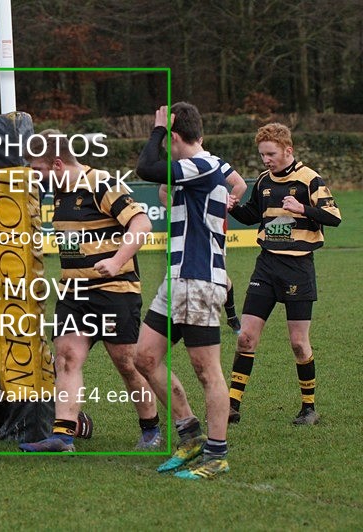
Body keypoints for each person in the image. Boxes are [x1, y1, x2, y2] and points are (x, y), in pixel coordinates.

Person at [17, 129, 161, 452]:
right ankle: (64, 435)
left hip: (114, 291)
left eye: (37, 169)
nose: (34, 177)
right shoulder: (57, 191)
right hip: (74, 293)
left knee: (127, 363)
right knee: (66, 358)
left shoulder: (103, 184)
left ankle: (151, 427)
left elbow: (142, 224)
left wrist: (116, 260)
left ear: (56, 164)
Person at [134, 103, 233, 479]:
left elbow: (146, 166)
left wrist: (156, 130)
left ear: (175, 137)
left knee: (206, 370)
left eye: (167, 140)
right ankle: (189, 434)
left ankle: (217, 453)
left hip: (199, 279)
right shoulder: (197, 173)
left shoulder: (203, 165)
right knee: (144, 357)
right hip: (176, 280)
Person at [227, 123, 341, 425]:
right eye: (262, 154)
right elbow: (254, 215)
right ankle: (232, 406)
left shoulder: (310, 179)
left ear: (287, 150)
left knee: (298, 343)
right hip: (266, 265)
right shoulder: (263, 181)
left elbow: (334, 217)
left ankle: (308, 408)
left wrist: (303, 209)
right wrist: (234, 208)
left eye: (271, 154)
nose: (266, 160)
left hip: (298, 268)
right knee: (246, 338)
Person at [157, 169, 247, 334]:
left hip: (212, 230)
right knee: (176, 270)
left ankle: (232, 316)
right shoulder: (178, 166)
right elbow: (163, 191)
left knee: (219, 275)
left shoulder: (215, 164)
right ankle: (175, 317)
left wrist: (225, 206)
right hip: (183, 230)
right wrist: (177, 211)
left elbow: (240, 184)